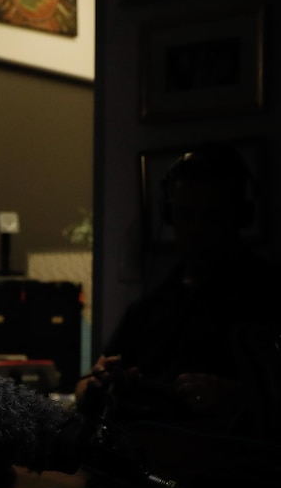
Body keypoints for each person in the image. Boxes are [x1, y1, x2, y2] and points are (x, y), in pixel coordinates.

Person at [75, 142, 281, 463]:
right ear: (170, 216)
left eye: (210, 216)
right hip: (136, 474)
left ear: (240, 216)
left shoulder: (269, 294)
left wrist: (239, 398)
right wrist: (94, 385)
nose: (195, 230)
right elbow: (87, 387)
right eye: (185, 215)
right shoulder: (149, 308)